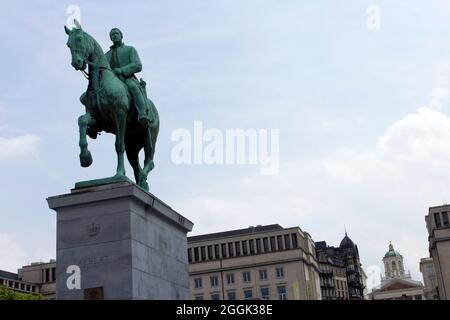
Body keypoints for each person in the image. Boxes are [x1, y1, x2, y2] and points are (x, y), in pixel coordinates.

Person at [105, 28, 152, 127]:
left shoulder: (130, 49)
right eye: (112, 35)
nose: (115, 35)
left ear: (121, 36)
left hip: (127, 79)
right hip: (111, 82)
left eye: (116, 33)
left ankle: (142, 113)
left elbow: (137, 65)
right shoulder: (107, 55)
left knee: (133, 87)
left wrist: (121, 70)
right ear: (110, 38)